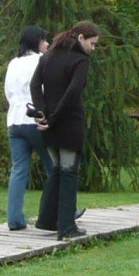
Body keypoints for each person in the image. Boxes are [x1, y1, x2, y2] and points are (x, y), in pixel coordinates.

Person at [32, 20, 102, 240]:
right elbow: (73, 92)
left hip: (49, 125)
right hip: (69, 122)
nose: (93, 48)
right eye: (93, 43)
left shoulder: (48, 56)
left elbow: (35, 85)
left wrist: (43, 113)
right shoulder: (81, 61)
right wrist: (53, 118)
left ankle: (46, 220)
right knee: (69, 172)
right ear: (81, 38)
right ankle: (67, 227)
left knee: (57, 171)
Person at [2, 25, 53, 231]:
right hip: (35, 119)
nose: (47, 44)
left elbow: (8, 92)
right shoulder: (41, 61)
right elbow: (44, 89)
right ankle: (63, 209)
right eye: (43, 40)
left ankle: (14, 218)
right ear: (36, 43)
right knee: (54, 168)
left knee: (19, 170)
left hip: (14, 120)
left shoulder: (13, 63)